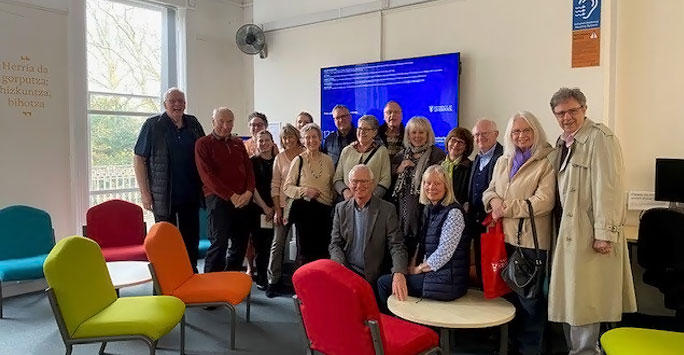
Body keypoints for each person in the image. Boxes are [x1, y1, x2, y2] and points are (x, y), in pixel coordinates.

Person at [547, 88, 636, 355]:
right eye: (561, 113)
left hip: (589, 234)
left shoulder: (600, 138)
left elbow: (608, 188)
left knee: (586, 300)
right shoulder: (563, 142)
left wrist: (604, 233)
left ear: (584, 109)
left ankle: (585, 352)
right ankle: (578, 350)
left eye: (573, 110)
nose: (567, 117)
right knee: (571, 301)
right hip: (567, 232)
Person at [482, 111, 555, 355]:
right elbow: (490, 190)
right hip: (505, 241)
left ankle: (530, 350)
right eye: (516, 131)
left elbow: (544, 202)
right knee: (508, 301)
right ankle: (509, 346)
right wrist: (493, 202)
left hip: (531, 244)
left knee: (531, 304)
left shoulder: (547, 161)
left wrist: (505, 208)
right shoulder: (504, 160)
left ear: (536, 131)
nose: (520, 135)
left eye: (526, 130)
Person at [133, 87, 205, 272]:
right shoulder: (153, 125)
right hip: (164, 195)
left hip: (190, 193)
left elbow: (204, 153)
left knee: (191, 238)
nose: (177, 104)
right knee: (165, 239)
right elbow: (139, 158)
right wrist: (144, 193)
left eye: (181, 101)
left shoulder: (193, 123)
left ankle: (190, 273)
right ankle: (166, 277)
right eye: (172, 101)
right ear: (165, 104)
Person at [378, 165, 468, 309]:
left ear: (446, 187)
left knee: (384, 283)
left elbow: (444, 253)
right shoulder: (430, 209)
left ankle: (394, 326)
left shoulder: (454, 213)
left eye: (437, 183)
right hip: (436, 276)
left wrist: (418, 269)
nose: (431, 187)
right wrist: (412, 265)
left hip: (447, 281)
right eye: (427, 182)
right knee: (392, 275)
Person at [329, 164, 408, 298]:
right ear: (349, 183)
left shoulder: (387, 210)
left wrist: (399, 273)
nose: (359, 186)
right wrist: (339, 265)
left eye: (364, 181)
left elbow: (397, 246)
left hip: (375, 277)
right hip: (348, 274)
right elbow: (335, 244)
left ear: (372, 183)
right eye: (355, 181)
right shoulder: (340, 209)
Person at [195, 107, 255, 273]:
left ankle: (231, 281)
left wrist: (249, 192)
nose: (225, 126)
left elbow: (249, 169)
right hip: (218, 200)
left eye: (229, 122)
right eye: (221, 121)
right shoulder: (203, 144)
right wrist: (231, 196)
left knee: (240, 243)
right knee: (219, 243)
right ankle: (211, 285)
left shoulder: (237, 143)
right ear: (213, 122)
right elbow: (207, 176)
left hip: (243, 199)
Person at [391, 117, 446, 260]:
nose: (417, 136)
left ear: (428, 135)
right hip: (402, 210)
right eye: (413, 132)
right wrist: (399, 168)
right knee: (402, 247)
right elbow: (390, 175)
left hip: (426, 208)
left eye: (421, 132)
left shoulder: (437, 155)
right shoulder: (401, 155)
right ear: (408, 135)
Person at [283, 123, 335, 265]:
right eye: (307, 138)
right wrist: (305, 191)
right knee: (305, 253)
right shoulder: (298, 160)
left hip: (324, 213)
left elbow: (332, 187)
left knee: (324, 252)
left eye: (314, 137)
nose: (311, 141)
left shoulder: (328, 160)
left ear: (320, 138)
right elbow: (287, 187)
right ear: (303, 140)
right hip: (305, 211)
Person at [266, 123, 305, 298]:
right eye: (284, 138)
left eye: (290, 136)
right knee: (278, 243)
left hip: (303, 205)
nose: (288, 140)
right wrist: (277, 210)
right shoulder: (280, 158)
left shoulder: (306, 154)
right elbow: (275, 186)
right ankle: (272, 281)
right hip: (283, 205)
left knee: (302, 245)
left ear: (297, 137)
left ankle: (300, 283)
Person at [466, 118, 504, 284]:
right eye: (476, 135)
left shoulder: (504, 157)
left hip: (494, 221)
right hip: (475, 219)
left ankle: (498, 300)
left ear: (496, 134)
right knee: (481, 261)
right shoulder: (477, 159)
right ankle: (484, 291)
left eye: (484, 134)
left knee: (496, 263)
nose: (480, 138)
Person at [333, 115, 391, 202]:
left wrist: (370, 199)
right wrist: (345, 192)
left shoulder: (382, 151)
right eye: (359, 128)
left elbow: (386, 180)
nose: (362, 132)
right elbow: (337, 178)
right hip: (347, 202)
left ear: (374, 132)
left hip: (372, 203)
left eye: (366, 129)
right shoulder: (347, 150)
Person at [248, 130, 276, 290]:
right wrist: (265, 208)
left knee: (273, 244)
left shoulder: (278, 161)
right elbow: (252, 187)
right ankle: (261, 277)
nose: (264, 143)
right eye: (261, 141)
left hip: (275, 209)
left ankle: (272, 276)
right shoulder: (252, 162)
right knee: (260, 245)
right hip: (257, 209)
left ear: (272, 142)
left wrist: (274, 207)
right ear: (256, 143)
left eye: (267, 140)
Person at [441, 127, 474, 204]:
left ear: (466, 147)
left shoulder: (470, 167)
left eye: (461, 142)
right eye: (453, 140)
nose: (456, 145)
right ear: (448, 141)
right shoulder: (438, 165)